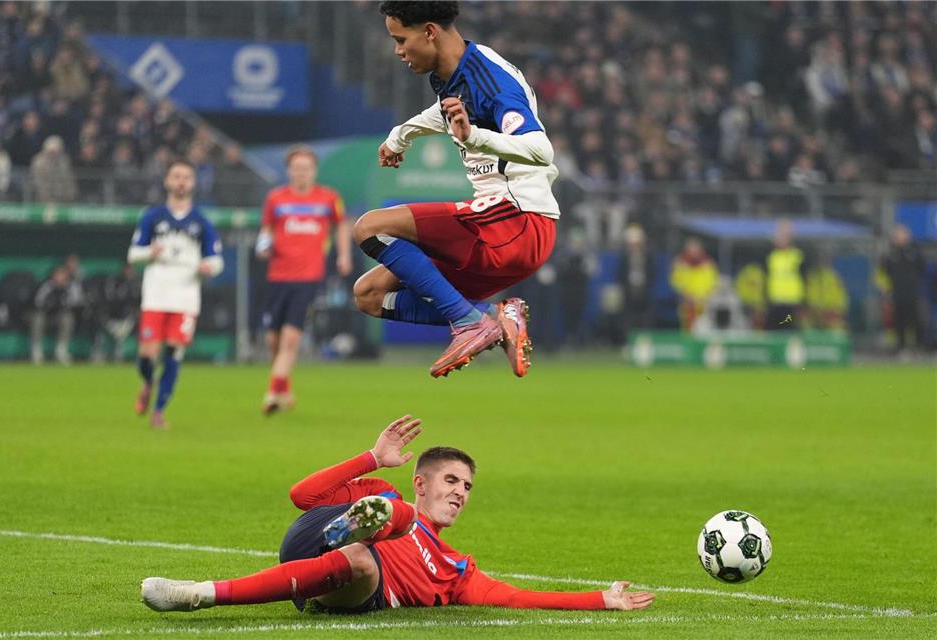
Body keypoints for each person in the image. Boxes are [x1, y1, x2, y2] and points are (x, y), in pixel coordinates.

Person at [141, 415, 656, 614]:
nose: (460, 493)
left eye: (467, 487)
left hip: (353, 582)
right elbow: (301, 495)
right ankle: (358, 528)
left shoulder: (457, 571)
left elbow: (519, 597)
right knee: (389, 511)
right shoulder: (381, 488)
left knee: (364, 559)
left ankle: (200, 594)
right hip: (308, 539)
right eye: (451, 481)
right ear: (422, 481)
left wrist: (601, 600)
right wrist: (370, 458)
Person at [352, 1, 559, 378]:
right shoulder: (454, 70)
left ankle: (469, 323)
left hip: (517, 221)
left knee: (369, 228)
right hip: (503, 237)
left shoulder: (493, 84)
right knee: (369, 296)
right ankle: (492, 318)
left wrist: (475, 137)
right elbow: (442, 111)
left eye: (401, 39)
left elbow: (541, 150)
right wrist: (402, 136)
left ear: (429, 31)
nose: (398, 51)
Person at [127, 160, 224, 429]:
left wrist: (209, 267)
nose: (181, 181)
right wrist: (150, 253)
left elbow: (216, 260)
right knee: (147, 353)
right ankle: (148, 381)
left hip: (185, 296)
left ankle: (158, 411)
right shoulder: (153, 217)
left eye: (186, 177)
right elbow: (133, 255)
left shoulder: (201, 222)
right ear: (167, 182)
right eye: (176, 176)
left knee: (174, 352)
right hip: (156, 293)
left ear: (193, 184)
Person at [256, 145, 352, 415]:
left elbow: (342, 225)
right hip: (277, 276)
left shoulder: (328, 198)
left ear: (314, 171)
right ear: (289, 171)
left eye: (306, 168)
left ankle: (272, 393)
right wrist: (263, 245)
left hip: (308, 277)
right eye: (296, 168)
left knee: (289, 339)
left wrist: (343, 255)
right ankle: (284, 389)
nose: (301, 173)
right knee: (273, 340)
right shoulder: (276, 198)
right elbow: (266, 228)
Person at [882, 224, 926, 354]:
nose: (901, 237)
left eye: (903, 234)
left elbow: (922, 267)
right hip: (897, 293)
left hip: (912, 293)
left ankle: (918, 346)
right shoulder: (891, 253)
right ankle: (901, 347)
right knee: (899, 321)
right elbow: (886, 270)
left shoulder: (914, 251)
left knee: (916, 320)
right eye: (898, 234)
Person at [764, 219, 807, 331]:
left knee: (789, 329)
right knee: (773, 330)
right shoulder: (770, 255)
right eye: (779, 234)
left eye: (785, 234)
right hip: (775, 301)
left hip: (792, 302)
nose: (781, 237)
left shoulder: (798, 255)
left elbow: (805, 277)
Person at [670, 238, 719, 332]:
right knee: (688, 330)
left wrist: (707, 298)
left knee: (705, 330)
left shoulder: (708, 264)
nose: (694, 253)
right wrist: (687, 296)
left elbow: (714, 283)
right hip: (687, 304)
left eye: (696, 250)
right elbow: (676, 282)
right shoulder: (680, 264)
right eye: (691, 250)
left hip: (705, 305)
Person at [29, 265, 75, 365]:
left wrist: (63, 292)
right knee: (38, 318)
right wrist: (51, 303)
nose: (60, 278)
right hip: (43, 317)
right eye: (58, 275)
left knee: (67, 318)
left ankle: (60, 351)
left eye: (62, 275)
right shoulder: (46, 286)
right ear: (52, 275)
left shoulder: (68, 288)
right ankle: (36, 351)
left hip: (56, 319)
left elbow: (73, 303)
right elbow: (37, 303)